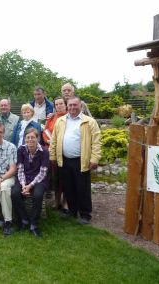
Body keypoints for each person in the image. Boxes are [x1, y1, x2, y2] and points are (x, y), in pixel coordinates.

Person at [49, 96, 101, 224]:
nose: (72, 107)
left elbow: (97, 141)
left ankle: (85, 214)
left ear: (80, 106)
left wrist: (94, 159)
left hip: (81, 160)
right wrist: (53, 156)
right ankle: (72, 212)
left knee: (82, 188)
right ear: (67, 106)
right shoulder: (60, 121)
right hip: (64, 160)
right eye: (70, 105)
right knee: (68, 187)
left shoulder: (89, 122)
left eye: (75, 105)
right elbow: (54, 140)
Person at [11, 128, 49, 238]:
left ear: (38, 138)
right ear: (24, 139)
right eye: (28, 137)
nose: (30, 139)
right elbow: (20, 169)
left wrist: (30, 186)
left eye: (33, 137)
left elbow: (43, 173)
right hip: (24, 178)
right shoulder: (21, 150)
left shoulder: (44, 151)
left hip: (39, 180)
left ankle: (34, 224)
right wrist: (23, 185)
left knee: (37, 195)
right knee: (15, 193)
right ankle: (24, 220)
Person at [43, 97, 68, 210]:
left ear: (65, 105)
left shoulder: (69, 117)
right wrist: (48, 140)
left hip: (65, 151)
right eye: (56, 104)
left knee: (66, 177)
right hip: (52, 150)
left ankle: (65, 201)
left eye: (61, 104)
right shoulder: (52, 117)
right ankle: (56, 200)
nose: (59, 106)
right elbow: (45, 131)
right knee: (55, 177)